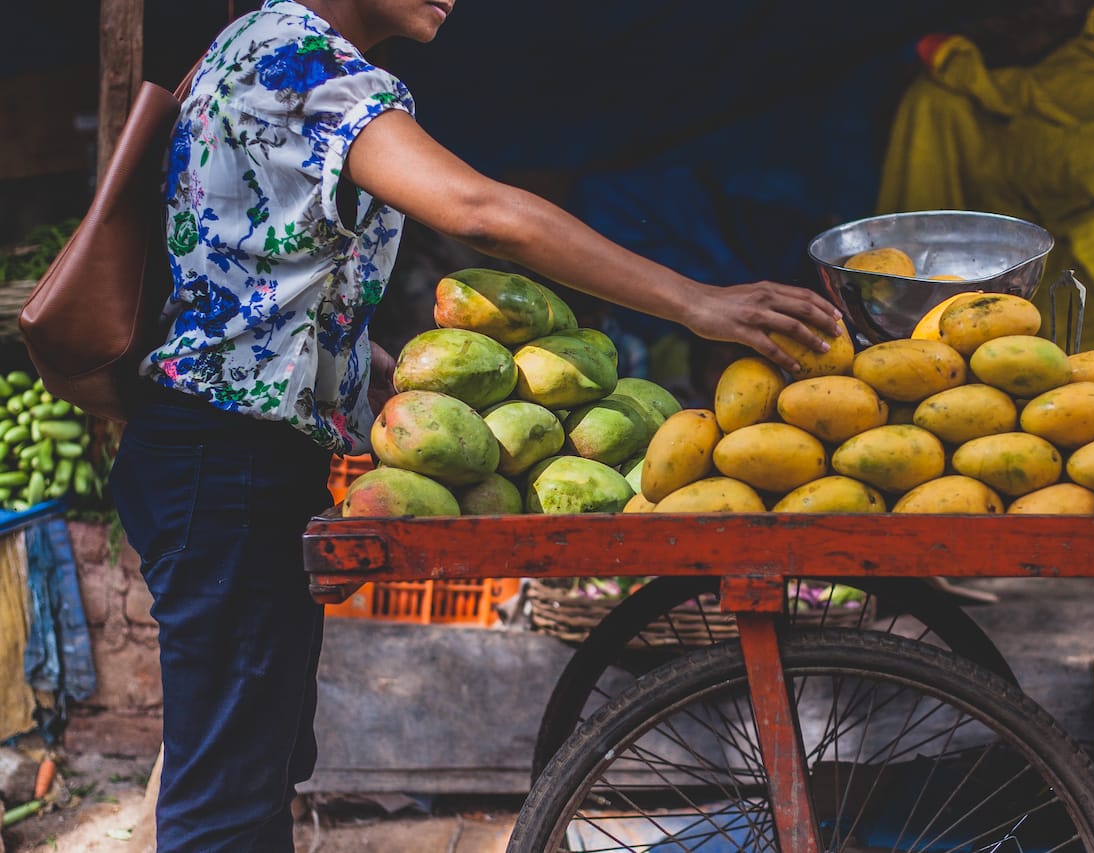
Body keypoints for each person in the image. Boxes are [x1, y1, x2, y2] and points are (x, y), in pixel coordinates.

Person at [107, 1, 842, 849]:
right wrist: (696, 301)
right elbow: (481, 213)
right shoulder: (303, 63)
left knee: (254, 772)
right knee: (225, 804)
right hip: (226, 461)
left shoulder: (247, 44)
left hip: (217, 455)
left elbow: (252, 260)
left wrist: (373, 369)